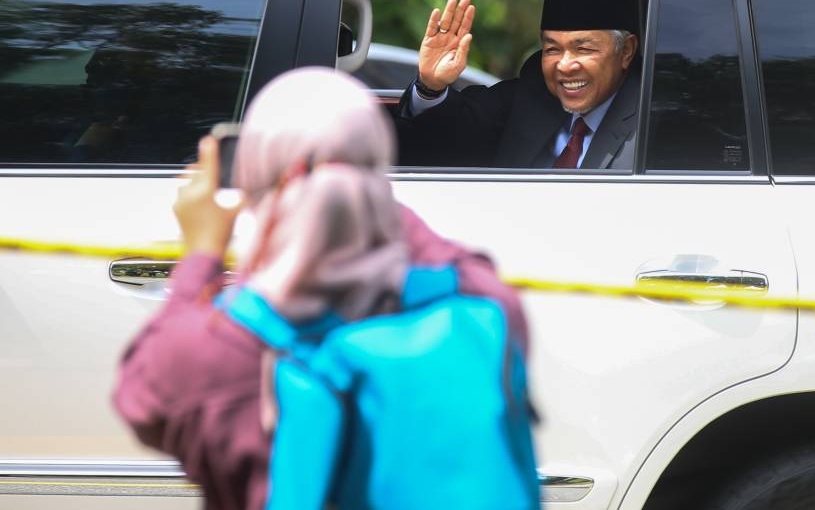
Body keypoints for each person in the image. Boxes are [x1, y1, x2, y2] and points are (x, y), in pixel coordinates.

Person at [112, 67, 529, 510]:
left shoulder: (225, 348)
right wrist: (363, 189)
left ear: (257, 177)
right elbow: (460, 263)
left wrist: (202, 253)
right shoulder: (484, 305)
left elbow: (140, 399)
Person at [394, 0, 641, 169]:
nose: (565, 65)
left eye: (584, 49)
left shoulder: (651, 121)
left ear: (626, 51)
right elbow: (451, 135)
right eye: (552, 49)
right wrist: (430, 86)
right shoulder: (534, 93)